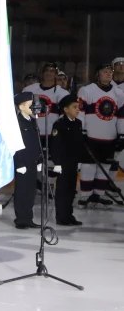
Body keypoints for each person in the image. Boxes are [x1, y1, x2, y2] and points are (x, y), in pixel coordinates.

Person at [77, 63, 122, 206]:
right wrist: (81, 130)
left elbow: (121, 117)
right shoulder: (86, 90)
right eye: (105, 71)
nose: (108, 74)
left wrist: (122, 135)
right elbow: (81, 112)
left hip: (110, 137)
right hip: (90, 136)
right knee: (88, 166)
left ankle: (98, 194)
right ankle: (85, 195)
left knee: (105, 166)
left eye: (110, 71)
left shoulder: (119, 94)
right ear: (98, 74)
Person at [51, 95, 84, 226]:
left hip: (73, 162)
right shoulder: (59, 124)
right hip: (63, 163)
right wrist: (57, 163)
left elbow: (79, 143)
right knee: (62, 190)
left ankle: (69, 215)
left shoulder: (78, 123)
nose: (77, 110)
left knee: (71, 190)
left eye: (78, 107)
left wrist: (80, 160)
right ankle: (61, 217)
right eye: (74, 107)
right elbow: (55, 146)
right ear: (65, 109)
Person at [12, 91, 42, 229]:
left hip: (32, 161)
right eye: (30, 105)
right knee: (22, 190)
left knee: (31, 191)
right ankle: (21, 219)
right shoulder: (17, 123)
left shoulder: (33, 121)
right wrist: (19, 163)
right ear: (22, 106)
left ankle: (28, 217)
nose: (33, 108)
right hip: (22, 162)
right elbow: (15, 144)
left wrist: (40, 159)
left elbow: (36, 142)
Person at [22, 62, 68, 144]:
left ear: (56, 74)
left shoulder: (63, 93)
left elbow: (64, 117)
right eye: (46, 70)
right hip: (32, 134)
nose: (49, 73)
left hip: (53, 135)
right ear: (42, 73)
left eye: (52, 71)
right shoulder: (29, 90)